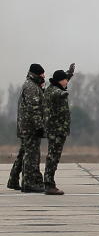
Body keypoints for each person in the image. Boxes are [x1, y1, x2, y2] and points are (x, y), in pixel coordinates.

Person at [7, 64, 46, 193]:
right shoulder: (31, 87)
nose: (43, 76)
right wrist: (39, 126)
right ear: (36, 74)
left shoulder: (32, 85)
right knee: (31, 155)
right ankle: (28, 183)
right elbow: (33, 108)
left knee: (23, 153)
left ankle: (13, 180)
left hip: (26, 126)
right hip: (30, 128)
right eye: (42, 74)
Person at [42, 64, 75, 195]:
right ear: (60, 81)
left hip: (56, 130)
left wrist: (69, 74)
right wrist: (64, 92)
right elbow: (59, 91)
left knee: (53, 156)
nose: (67, 82)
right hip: (56, 130)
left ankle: (49, 183)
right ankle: (49, 185)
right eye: (65, 80)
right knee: (53, 157)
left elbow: (62, 82)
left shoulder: (52, 87)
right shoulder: (55, 92)